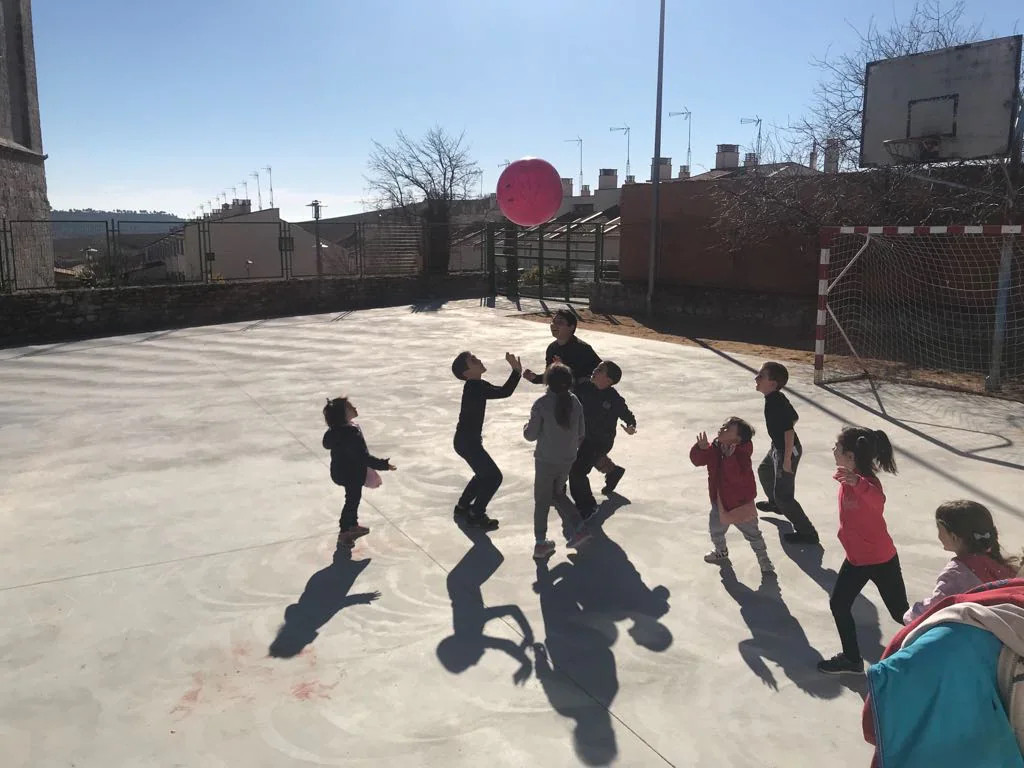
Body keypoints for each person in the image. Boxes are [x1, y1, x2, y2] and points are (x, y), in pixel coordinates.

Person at [818, 426, 907, 675]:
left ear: (850, 455)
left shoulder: (867, 483)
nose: (833, 449)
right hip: (856, 559)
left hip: (881, 559)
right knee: (839, 604)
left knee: (901, 612)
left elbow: (878, 500)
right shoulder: (848, 476)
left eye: (837, 446)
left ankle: (932, 645)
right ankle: (851, 659)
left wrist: (859, 483)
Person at [904, 500, 1019, 624]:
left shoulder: (956, 574)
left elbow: (935, 609)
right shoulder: (1002, 564)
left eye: (939, 529)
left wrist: (910, 615)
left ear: (954, 537)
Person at [690, 417, 775, 575]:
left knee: (753, 534)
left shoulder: (742, 453)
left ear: (738, 439)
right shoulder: (715, 447)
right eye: (723, 426)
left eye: (728, 428)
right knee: (715, 529)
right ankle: (721, 550)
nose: (722, 429)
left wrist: (729, 459)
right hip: (719, 501)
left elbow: (737, 477)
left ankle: (763, 558)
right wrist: (700, 449)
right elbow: (698, 461)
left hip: (741, 503)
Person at [523, 362, 591, 560]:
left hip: (546, 460)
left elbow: (530, 435)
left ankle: (540, 543)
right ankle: (579, 527)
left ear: (547, 382)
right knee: (558, 493)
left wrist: (526, 426)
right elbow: (581, 433)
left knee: (542, 501)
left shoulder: (541, 404)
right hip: (567, 459)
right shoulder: (575, 402)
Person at [452, 350, 522, 531]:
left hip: (466, 441)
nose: (478, 359)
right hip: (468, 442)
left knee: (483, 474)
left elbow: (501, 391)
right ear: (466, 373)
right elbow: (505, 392)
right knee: (494, 477)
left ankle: (463, 506)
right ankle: (477, 514)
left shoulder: (477, 384)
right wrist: (516, 371)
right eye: (473, 360)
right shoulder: (475, 387)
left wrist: (516, 372)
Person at [754, 362, 818, 545]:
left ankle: (808, 533)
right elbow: (794, 417)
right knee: (765, 470)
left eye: (760, 376)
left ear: (772, 383)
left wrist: (787, 459)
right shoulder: (777, 397)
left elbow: (789, 431)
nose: (756, 379)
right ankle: (775, 505)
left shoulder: (775, 403)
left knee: (785, 496)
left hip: (786, 451)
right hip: (778, 447)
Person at [322, 397, 396, 549]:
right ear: (343, 414)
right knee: (352, 500)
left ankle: (353, 525)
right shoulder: (350, 433)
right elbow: (363, 457)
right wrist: (383, 465)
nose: (354, 407)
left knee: (353, 498)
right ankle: (345, 532)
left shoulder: (336, 431)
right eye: (350, 407)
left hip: (340, 471)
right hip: (352, 473)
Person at [569, 361, 636, 519]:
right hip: (584, 437)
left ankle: (588, 505)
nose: (595, 370)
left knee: (577, 471)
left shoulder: (614, 398)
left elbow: (628, 416)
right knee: (589, 458)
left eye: (600, 370)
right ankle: (614, 472)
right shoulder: (585, 387)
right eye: (597, 367)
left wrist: (631, 426)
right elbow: (567, 386)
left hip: (602, 440)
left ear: (609, 380)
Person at [523, 309, 601, 388]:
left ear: (571, 327)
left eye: (560, 322)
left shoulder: (582, 349)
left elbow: (598, 375)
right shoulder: (552, 348)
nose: (554, 325)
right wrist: (535, 378)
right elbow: (551, 377)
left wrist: (563, 369)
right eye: (553, 321)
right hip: (562, 394)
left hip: (583, 395)